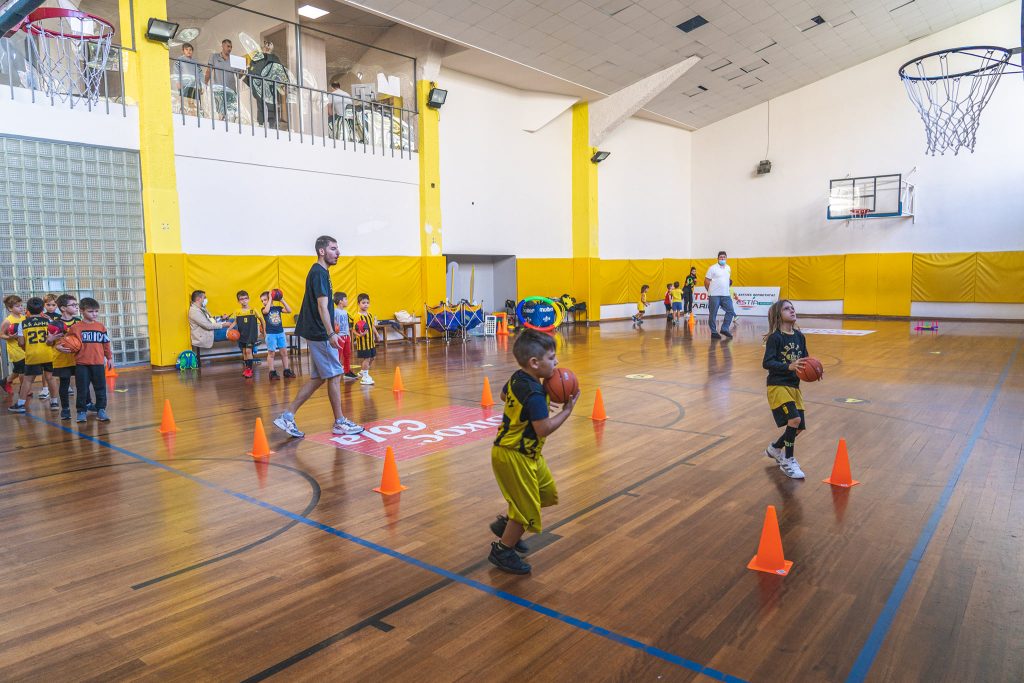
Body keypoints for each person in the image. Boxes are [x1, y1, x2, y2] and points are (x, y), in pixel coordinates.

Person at [487, 330, 578, 574]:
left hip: (526, 454)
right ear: (534, 363)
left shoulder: (519, 377)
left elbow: (504, 394)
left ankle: (508, 524)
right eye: (552, 357)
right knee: (527, 511)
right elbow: (543, 429)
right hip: (513, 454)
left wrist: (535, 400)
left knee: (546, 494)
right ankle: (503, 550)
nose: (556, 362)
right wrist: (566, 411)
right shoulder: (535, 394)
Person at [274, 236, 364, 439]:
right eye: (333, 249)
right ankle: (340, 422)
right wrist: (331, 333)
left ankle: (287, 416)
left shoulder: (321, 272)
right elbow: (322, 306)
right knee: (334, 374)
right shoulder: (319, 273)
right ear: (322, 251)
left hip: (316, 331)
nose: (338, 252)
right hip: (320, 332)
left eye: (338, 248)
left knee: (318, 378)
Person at [762, 300, 812, 479]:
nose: (792, 310)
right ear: (778, 315)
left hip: (794, 386)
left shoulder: (799, 336)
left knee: (798, 427)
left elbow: (805, 359)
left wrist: (815, 370)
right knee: (794, 419)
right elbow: (767, 362)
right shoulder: (776, 337)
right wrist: (788, 366)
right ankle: (788, 460)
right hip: (777, 385)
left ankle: (775, 448)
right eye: (786, 308)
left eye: (792, 307)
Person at [65, 297, 113, 423]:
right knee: (82, 389)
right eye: (91, 312)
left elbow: (106, 343)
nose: (94, 314)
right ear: (82, 311)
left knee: (100, 388)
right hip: (82, 364)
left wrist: (109, 358)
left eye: (96, 311)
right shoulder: (76, 328)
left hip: (98, 363)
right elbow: (66, 342)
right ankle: (81, 411)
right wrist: (61, 347)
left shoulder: (101, 327)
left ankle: (101, 409)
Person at [8, 297, 52, 414]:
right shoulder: (48, 321)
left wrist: (25, 348)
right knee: (50, 378)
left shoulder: (23, 323)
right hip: (47, 353)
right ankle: (55, 402)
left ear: (27, 309)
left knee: (28, 380)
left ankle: (21, 404)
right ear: (42, 309)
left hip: (32, 355)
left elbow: (21, 342)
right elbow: (52, 339)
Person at [48, 294, 82, 420]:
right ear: (63, 308)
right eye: (73, 305)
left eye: (76, 305)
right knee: (64, 384)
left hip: (78, 358)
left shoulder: (78, 322)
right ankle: (66, 409)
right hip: (62, 359)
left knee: (82, 384)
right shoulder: (55, 323)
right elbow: (48, 343)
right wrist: (51, 341)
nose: (76, 307)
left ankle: (83, 407)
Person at [246, 41, 282, 128]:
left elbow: (278, 72)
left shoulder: (274, 58)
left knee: (271, 107)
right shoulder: (257, 57)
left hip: (271, 87)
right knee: (261, 106)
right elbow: (251, 72)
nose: (268, 46)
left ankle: (273, 126)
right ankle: (261, 124)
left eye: (270, 45)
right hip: (259, 86)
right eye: (266, 45)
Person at [228, 290, 263, 379]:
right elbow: (236, 321)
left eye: (245, 298)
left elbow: (261, 319)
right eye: (241, 299)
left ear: (249, 299)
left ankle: (250, 370)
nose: (244, 300)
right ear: (238, 301)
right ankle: (247, 368)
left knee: (248, 351)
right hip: (241, 335)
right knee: (244, 352)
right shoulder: (237, 311)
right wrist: (229, 328)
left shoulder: (253, 310)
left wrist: (263, 330)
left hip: (251, 335)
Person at [261, 289, 294, 380]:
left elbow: (289, 310)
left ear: (271, 298)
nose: (263, 302)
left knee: (284, 353)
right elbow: (267, 311)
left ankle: (286, 370)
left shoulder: (278, 308)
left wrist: (281, 300)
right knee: (271, 353)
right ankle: (272, 372)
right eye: (262, 300)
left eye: (265, 299)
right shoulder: (264, 309)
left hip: (280, 333)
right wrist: (270, 299)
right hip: (271, 334)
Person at [205, 39, 240, 121]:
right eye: (228, 46)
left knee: (232, 114)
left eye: (231, 47)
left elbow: (240, 74)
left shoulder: (233, 59)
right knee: (221, 113)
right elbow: (208, 71)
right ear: (223, 46)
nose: (230, 49)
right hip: (219, 90)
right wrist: (205, 84)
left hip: (231, 90)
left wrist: (243, 69)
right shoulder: (214, 57)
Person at [351, 293, 381, 385]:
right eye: (363, 303)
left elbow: (371, 325)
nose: (366, 304)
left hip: (371, 342)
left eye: (367, 303)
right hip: (363, 343)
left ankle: (362, 372)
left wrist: (376, 334)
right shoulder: (357, 316)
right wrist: (359, 335)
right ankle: (364, 377)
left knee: (373, 357)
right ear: (358, 304)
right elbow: (353, 330)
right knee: (367, 358)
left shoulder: (370, 315)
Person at [704, 250, 734, 339]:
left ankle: (724, 328)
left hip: (726, 294)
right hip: (714, 295)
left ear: (726, 258)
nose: (722, 259)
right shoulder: (712, 268)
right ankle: (713, 332)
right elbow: (706, 281)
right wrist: (710, 292)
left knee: (730, 310)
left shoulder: (728, 268)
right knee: (713, 313)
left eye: (724, 257)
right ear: (718, 258)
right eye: (721, 257)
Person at [2, 294, 26, 397]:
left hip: (24, 347)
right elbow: (1, 334)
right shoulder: (8, 321)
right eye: (17, 306)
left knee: (18, 370)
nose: (20, 307)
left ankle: (5, 381)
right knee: (23, 370)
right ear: (10, 308)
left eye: (21, 305)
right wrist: (10, 337)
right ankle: (24, 389)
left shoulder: (23, 317)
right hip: (14, 348)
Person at [332, 291, 359, 381]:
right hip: (339, 337)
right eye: (345, 299)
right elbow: (332, 322)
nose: (347, 301)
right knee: (338, 355)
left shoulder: (345, 312)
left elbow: (347, 324)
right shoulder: (335, 311)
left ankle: (347, 372)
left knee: (347, 354)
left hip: (346, 336)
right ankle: (336, 371)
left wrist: (349, 335)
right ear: (340, 301)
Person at [178, 42, 203, 116]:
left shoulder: (195, 62)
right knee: (185, 100)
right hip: (185, 83)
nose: (189, 51)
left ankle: (194, 114)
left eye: (190, 50)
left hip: (194, 84)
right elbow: (176, 71)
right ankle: (186, 114)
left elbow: (200, 74)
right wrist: (178, 81)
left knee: (193, 101)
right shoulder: (179, 60)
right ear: (183, 51)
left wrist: (201, 85)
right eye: (186, 49)